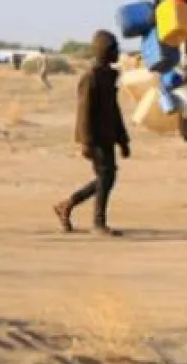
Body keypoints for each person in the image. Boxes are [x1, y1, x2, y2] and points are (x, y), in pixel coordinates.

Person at [53, 30, 130, 236]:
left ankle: (67, 205)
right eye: (114, 49)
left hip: (107, 136)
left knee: (107, 177)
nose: (118, 53)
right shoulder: (91, 78)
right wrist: (86, 142)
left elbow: (114, 110)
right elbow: (84, 111)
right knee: (106, 176)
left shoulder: (108, 77)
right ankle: (97, 223)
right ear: (104, 51)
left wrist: (123, 140)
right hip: (94, 137)